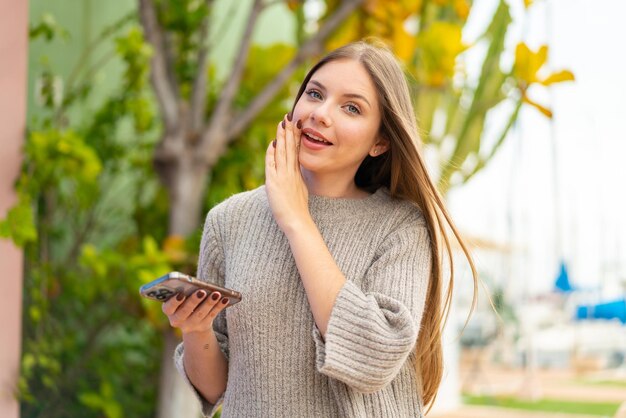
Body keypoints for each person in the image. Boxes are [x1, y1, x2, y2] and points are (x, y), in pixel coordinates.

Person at [161, 40, 478, 417]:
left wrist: (297, 220)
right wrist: (196, 331)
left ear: (380, 142)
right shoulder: (230, 219)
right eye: (314, 94)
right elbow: (218, 388)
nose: (321, 113)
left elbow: (374, 356)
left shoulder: (401, 227)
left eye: (351, 107)